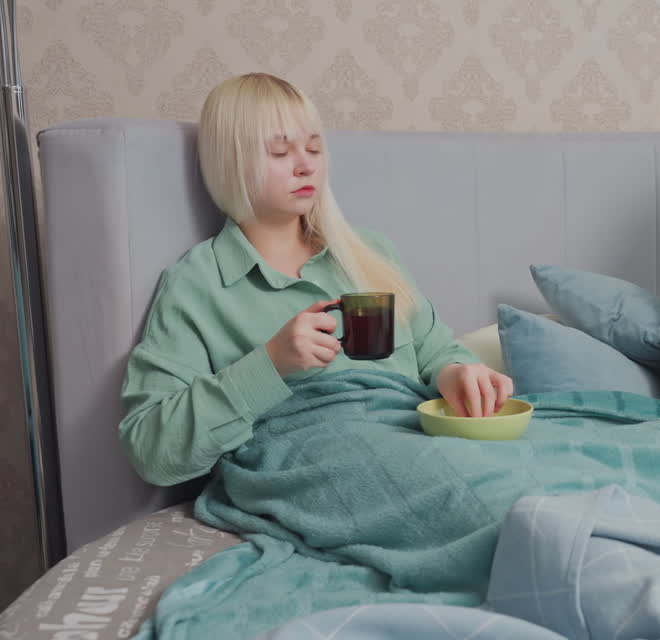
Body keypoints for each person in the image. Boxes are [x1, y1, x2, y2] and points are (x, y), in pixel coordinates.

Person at [119, 73, 512, 487]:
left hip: (416, 442)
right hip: (320, 463)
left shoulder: (369, 253)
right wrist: (270, 363)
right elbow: (151, 449)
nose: (306, 165)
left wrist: (459, 376)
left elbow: (436, 352)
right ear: (231, 163)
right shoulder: (197, 284)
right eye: (280, 151)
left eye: (313, 148)